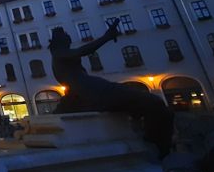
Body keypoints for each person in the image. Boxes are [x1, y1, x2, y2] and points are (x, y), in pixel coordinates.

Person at [50, 20, 174, 157]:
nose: (69, 38)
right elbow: (84, 51)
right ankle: (155, 146)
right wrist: (107, 37)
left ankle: (154, 143)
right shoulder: (58, 54)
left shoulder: (63, 57)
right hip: (97, 92)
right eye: (65, 37)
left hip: (97, 89)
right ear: (59, 43)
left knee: (153, 104)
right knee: (154, 103)